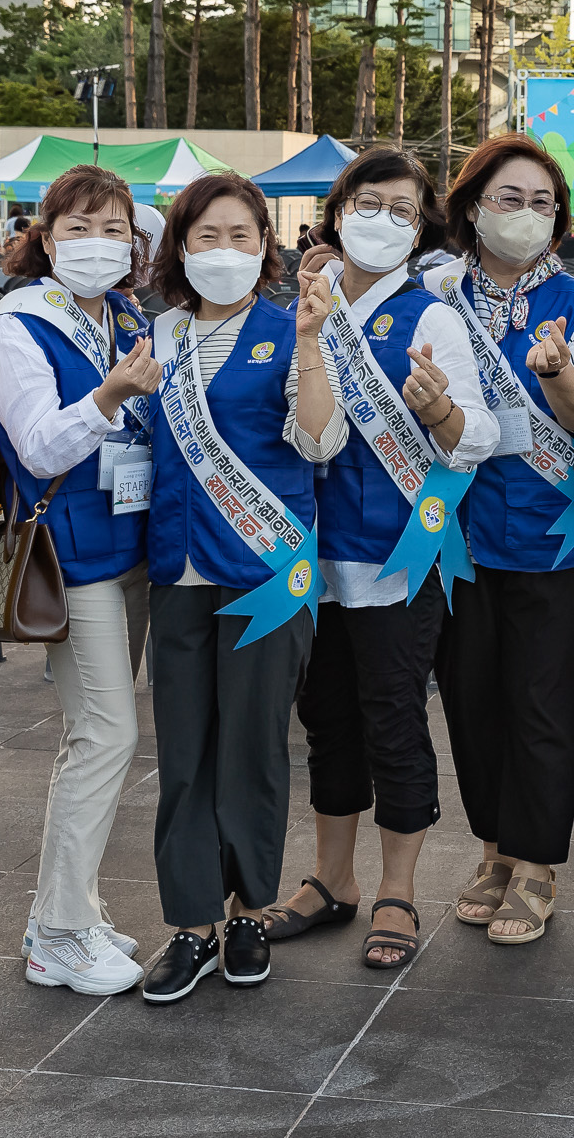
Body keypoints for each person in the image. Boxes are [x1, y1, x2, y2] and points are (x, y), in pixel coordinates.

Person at [278, 147, 496, 973]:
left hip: (398, 559)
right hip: (308, 556)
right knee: (325, 718)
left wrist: (441, 413)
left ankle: (398, 889)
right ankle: (332, 878)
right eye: (369, 203)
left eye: (403, 211)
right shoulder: (303, 305)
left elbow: (478, 435)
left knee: (393, 717)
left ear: (421, 228)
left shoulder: (432, 315)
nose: (383, 220)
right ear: (336, 214)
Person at [138, 172, 338, 1003]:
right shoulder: (161, 333)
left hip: (265, 574)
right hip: (180, 567)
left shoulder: (288, 326)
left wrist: (314, 344)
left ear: (268, 246)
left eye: (242, 235)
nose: (225, 250)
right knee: (183, 753)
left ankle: (250, 909)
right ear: (181, 247)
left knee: (254, 750)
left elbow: (321, 441)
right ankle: (189, 923)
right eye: (207, 235)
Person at [0, 165, 163, 999]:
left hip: (128, 550)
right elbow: (38, 446)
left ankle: (67, 908)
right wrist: (109, 394)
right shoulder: (21, 321)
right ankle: (57, 933)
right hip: (72, 555)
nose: (99, 243)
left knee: (93, 735)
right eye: (79, 227)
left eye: (116, 228)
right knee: (107, 735)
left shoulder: (122, 312)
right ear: (46, 238)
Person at [427, 135, 574, 948]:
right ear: (471, 207)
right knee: (472, 704)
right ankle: (495, 847)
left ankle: (536, 863)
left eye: (543, 203)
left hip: (552, 541)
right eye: (509, 198)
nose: (526, 215)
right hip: (456, 536)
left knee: (543, 707)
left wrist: (556, 373)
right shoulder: (435, 297)